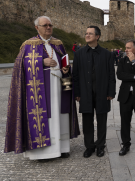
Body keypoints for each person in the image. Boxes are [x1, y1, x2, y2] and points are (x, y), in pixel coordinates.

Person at [4, 16, 79, 159]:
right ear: (37, 27)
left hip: (58, 87)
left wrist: (65, 69)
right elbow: (20, 66)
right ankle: (42, 153)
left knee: (60, 115)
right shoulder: (28, 45)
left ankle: (62, 148)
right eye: (45, 25)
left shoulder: (58, 43)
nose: (48, 27)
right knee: (44, 117)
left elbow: (64, 62)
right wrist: (40, 61)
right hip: (39, 91)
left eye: (50, 25)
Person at [73, 26, 116, 158]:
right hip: (85, 93)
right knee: (87, 121)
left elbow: (111, 75)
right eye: (86, 33)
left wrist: (111, 92)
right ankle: (89, 146)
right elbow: (75, 75)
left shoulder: (107, 54)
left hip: (102, 92)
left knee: (102, 121)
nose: (87, 36)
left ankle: (100, 146)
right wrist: (77, 93)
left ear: (97, 36)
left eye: (90, 34)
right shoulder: (79, 54)